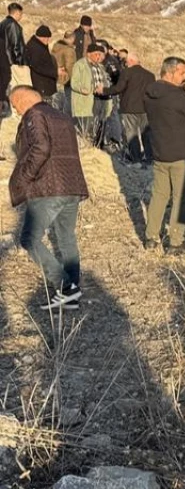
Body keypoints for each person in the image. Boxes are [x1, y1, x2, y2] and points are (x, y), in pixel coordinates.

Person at [7, 86, 89, 311]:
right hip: (72, 185)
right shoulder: (61, 116)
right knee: (66, 239)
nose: (16, 110)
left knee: (29, 240)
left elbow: (41, 148)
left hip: (48, 187)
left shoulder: (34, 114)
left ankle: (65, 286)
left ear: (25, 99)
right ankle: (71, 295)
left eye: (16, 104)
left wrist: (23, 177)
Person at [142, 57, 185, 252]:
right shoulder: (179, 97)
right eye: (182, 72)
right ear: (169, 73)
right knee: (181, 197)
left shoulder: (149, 94)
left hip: (160, 152)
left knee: (159, 195)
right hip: (182, 153)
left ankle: (151, 237)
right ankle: (175, 241)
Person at [105, 52, 154, 162]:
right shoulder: (150, 75)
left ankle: (136, 158)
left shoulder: (127, 73)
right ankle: (149, 157)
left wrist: (104, 90)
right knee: (146, 134)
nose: (126, 64)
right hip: (145, 109)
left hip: (129, 108)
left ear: (131, 61)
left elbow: (118, 89)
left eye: (126, 62)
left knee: (132, 134)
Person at [70, 43, 112, 145]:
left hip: (101, 99)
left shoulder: (100, 67)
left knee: (99, 125)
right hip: (87, 100)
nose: (99, 57)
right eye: (96, 54)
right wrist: (82, 89)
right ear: (89, 54)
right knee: (86, 127)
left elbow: (105, 80)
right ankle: (86, 148)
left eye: (100, 54)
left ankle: (97, 148)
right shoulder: (80, 65)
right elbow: (73, 83)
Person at [0, 2, 25, 146]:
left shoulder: (2, 23)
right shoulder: (13, 26)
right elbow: (15, 47)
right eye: (21, 13)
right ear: (17, 12)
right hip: (10, 65)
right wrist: (19, 63)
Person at [25, 26, 58, 101]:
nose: (48, 40)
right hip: (42, 86)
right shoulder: (36, 48)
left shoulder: (39, 45)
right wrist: (55, 72)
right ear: (40, 37)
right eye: (46, 37)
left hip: (44, 84)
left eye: (48, 37)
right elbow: (38, 66)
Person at [51, 31, 76, 113]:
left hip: (55, 76)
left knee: (56, 101)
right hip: (65, 79)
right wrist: (74, 80)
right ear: (72, 38)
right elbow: (70, 66)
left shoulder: (56, 45)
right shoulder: (69, 50)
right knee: (67, 102)